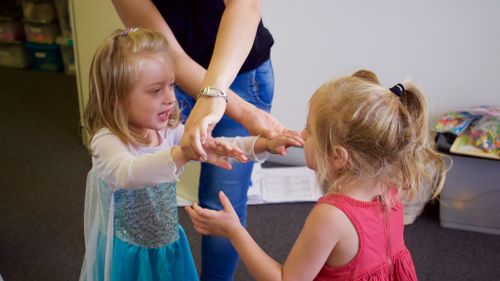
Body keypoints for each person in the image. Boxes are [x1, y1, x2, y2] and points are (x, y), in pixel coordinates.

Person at [79, 28, 304, 281]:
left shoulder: (167, 130)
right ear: (116, 98)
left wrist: (263, 145)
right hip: (130, 256)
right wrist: (183, 153)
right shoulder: (107, 140)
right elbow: (128, 173)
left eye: (172, 85)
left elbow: (216, 146)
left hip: (167, 244)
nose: (169, 98)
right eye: (155, 90)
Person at [187, 70, 448, 280]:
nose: (301, 135)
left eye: (308, 129)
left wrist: (236, 232)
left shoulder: (332, 215)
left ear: (338, 156)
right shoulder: (390, 183)